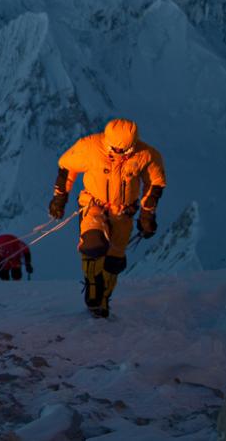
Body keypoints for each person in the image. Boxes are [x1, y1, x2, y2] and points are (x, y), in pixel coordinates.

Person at [48, 118, 166, 318]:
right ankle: (93, 289)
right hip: (93, 204)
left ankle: (103, 300)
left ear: (133, 144)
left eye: (125, 151)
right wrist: (60, 197)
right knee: (92, 244)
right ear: (107, 141)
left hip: (123, 212)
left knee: (115, 260)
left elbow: (155, 182)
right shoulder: (91, 147)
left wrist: (147, 214)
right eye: (114, 149)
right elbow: (67, 166)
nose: (119, 154)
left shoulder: (146, 155)